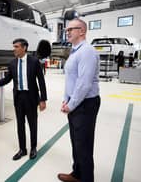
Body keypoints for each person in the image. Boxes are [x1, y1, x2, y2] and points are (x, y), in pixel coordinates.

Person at [58, 19, 100, 182]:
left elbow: (84, 83)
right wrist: (65, 99)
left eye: (71, 29)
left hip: (85, 104)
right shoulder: (75, 51)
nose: (67, 32)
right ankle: (77, 174)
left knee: (84, 146)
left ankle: (87, 178)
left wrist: (71, 104)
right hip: (76, 103)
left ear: (82, 31)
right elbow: (71, 79)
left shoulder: (87, 51)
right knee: (76, 143)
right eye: (66, 30)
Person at [0, 38, 47, 160]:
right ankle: (22, 149)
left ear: (24, 48)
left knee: (32, 123)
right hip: (18, 97)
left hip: (31, 97)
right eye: (13, 46)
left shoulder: (34, 62)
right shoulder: (12, 63)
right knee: (20, 124)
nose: (14, 49)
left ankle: (33, 148)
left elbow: (41, 81)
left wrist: (43, 99)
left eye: (16, 46)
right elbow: (7, 79)